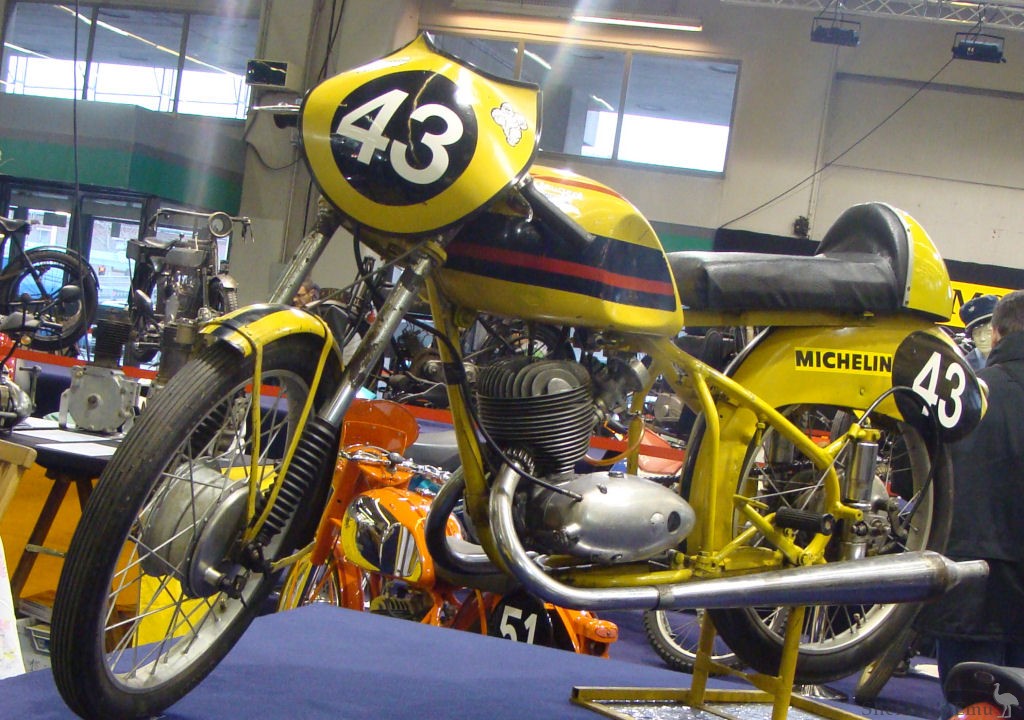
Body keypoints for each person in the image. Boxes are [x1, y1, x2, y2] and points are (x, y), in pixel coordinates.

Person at [917, 289, 1024, 716]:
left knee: (970, 704)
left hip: (967, 579)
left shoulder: (960, 397)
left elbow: (914, 476)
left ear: (995, 334)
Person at [959, 294, 999, 371]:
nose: (982, 338)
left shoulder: (1015, 358)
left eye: (988, 332)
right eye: (976, 333)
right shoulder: (964, 366)